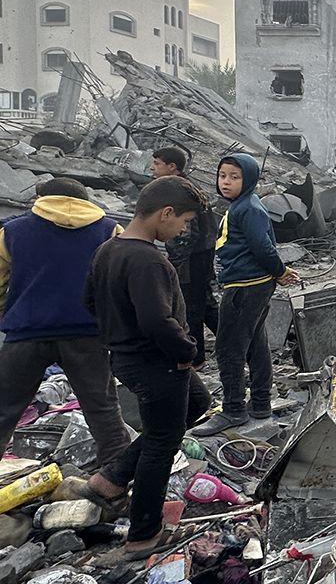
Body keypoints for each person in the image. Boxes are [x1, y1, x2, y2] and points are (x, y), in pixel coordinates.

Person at [80, 176, 213, 560]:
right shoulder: (148, 259)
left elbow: (89, 301)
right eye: (183, 221)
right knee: (162, 442)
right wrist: (186, 350)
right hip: (158, 363)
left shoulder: (109, 248)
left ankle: (113, 477)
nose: (183, 228)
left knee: (197, 403)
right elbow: (157, 320)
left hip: (132, 358)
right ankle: (143, 535)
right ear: (165, 213)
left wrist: (118, 333)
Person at [0, 178, 130, 469]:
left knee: (4, 410)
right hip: (87, 334)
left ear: (43, 199)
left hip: (26, 333)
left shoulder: (12, 232)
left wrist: (6, 314)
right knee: (103, 410)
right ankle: (117, 479)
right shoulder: (109, 230)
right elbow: (120, 281)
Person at [191, 154, 300, 436]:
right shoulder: (242, 205)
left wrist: (280, 271)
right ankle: (261, 402)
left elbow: (263, 247)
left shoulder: (247, 208)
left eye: (234, 177)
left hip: (245, 286)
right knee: (255, 343)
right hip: (254, 284)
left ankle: (233, 410)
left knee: (228, 349)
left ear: (248, 180)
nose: (226, 182)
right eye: (223, 175)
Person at [151, 147, 218, 366]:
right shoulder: (184, 187)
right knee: (205, 303)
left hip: (192, 258)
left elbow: (187, 232)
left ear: (172, 167)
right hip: (202, 254)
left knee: (191, 306)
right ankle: (239, 346)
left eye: (157, 163)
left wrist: (175, 262)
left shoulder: (179, 192)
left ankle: (197, 359)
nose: (153, 168)